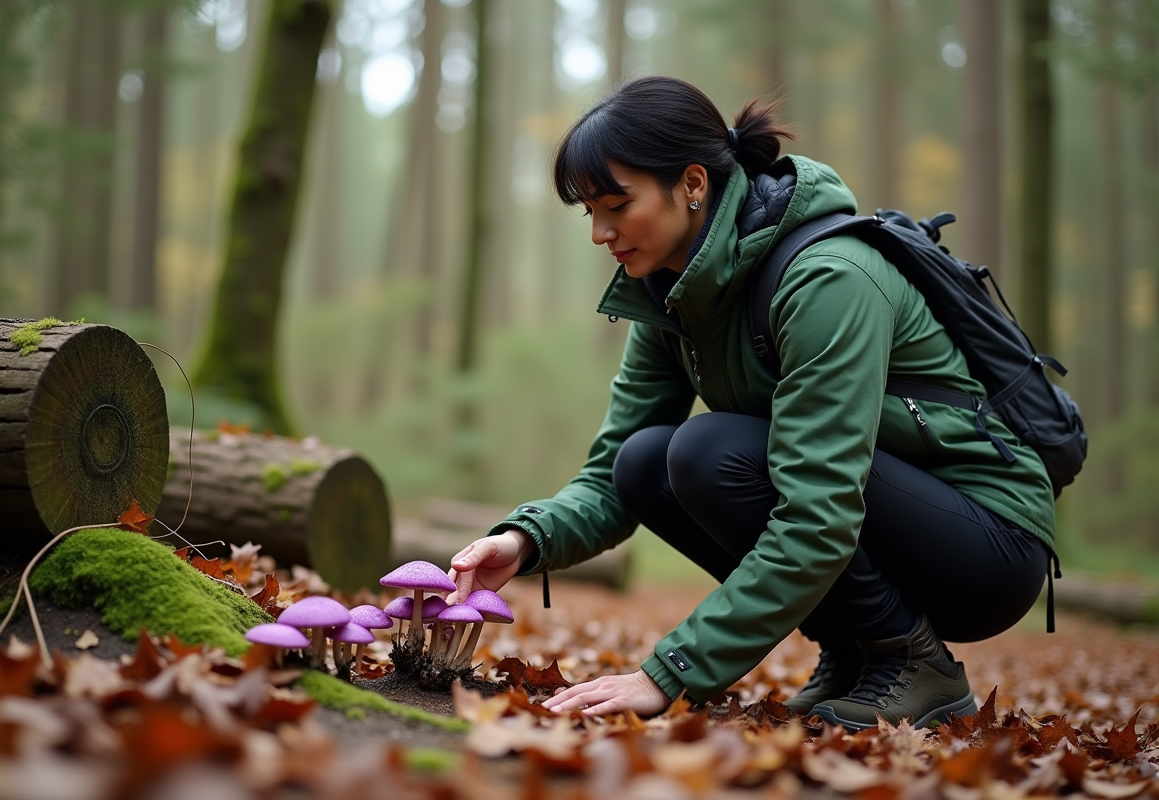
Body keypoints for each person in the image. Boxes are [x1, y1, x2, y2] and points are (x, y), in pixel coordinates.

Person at [447, 76, 1054, 731]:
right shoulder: (669, 294)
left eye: (616, 205)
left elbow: (818, 512)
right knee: (645, 460)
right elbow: (613, 476)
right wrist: (525, 539)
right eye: (588, 211)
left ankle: (912, 661)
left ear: (693, 185)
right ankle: (854, 652)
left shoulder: (828, 278)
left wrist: (668, 672)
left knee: (709, 452)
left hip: (986, 540)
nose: (600, 232)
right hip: (872, 518)